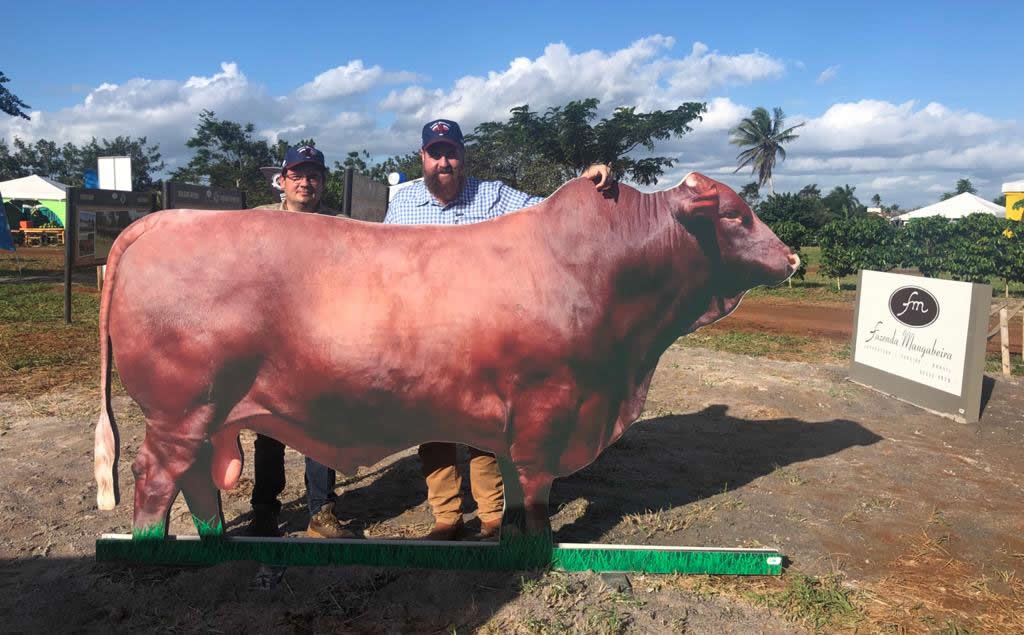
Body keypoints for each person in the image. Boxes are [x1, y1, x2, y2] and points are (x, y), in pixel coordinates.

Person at [384, 119, 611, 540]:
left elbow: (550, 209)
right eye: (436, 153)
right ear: (422, 157)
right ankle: (447, 518)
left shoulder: (493, 196)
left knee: (483, 427)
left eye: (451, 152)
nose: (444, 162)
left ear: (463, 156)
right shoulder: (402, 204)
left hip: (482, 335)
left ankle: (492, 515)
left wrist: (582, 181)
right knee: (431, 429)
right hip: (425, 336)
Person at [248, 143, 355, 539]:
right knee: (269, 427)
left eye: (313, 175)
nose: (305, 182)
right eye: (297, 175)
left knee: (320, 424)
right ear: (282, 180)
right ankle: (263, 510)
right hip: (269, 341)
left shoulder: (341, 225)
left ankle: (321, 511)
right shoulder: (257, 221)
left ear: (323, 181)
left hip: (321, 340)